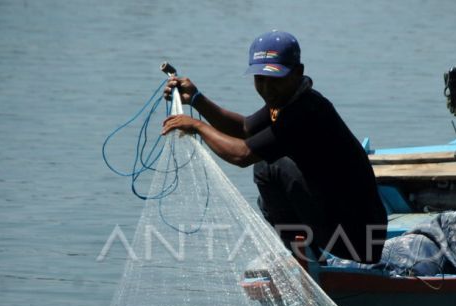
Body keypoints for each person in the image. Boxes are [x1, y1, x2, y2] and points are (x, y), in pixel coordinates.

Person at [162, 30, 387, 263]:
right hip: (353, 231)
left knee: (266, 166)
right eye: (260, 80)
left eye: (275, 79)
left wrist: (197, 126)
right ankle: (308, 253)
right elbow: (246, 129)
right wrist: (197, 99)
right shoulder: (288, 99)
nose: (267, 88)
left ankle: (307, 259)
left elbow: (243, 155)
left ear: (298, 72)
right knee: (270, 168)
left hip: (359, 241)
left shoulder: (305, 112)